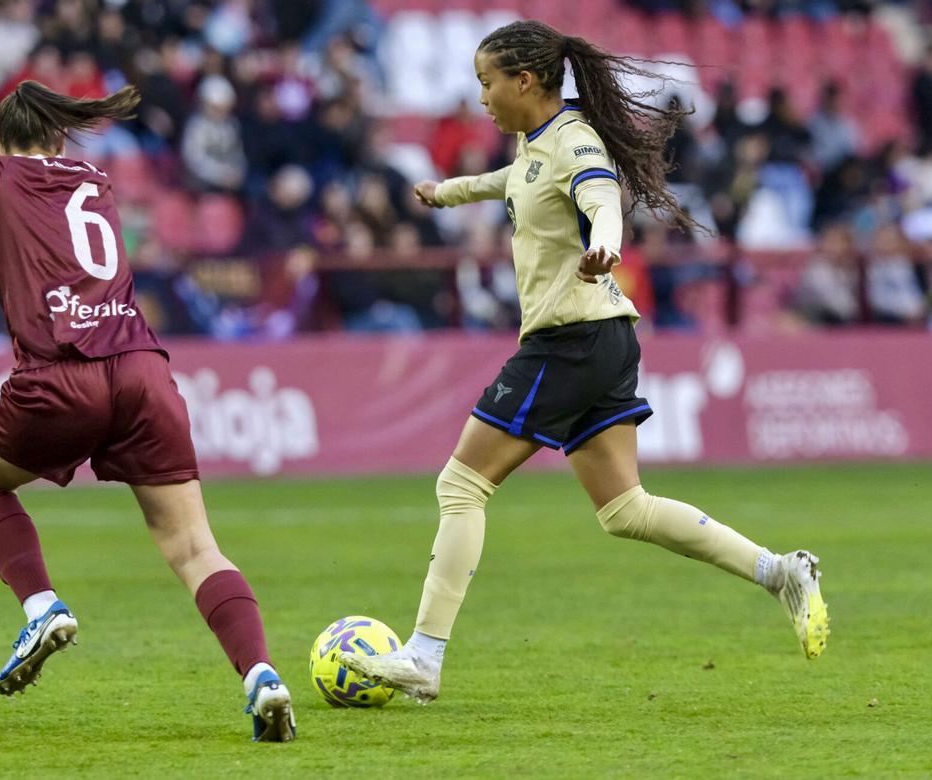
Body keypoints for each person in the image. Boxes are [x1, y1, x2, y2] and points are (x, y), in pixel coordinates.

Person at [340, 20, 830, 704]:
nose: (480, 97)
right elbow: (514, 179)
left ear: (526, 80)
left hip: (568, 339)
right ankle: (781, 572)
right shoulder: (534, 142)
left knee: (461, 486)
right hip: (602, 338)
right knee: (626, 509)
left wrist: (606, 244)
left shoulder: (575, 142)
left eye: (487, 83)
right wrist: (447, 191)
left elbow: (601, 199)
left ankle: (423, 654)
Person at [0, 81, 295, 742]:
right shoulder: (95, 179)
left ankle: (41, 606)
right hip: (143, 369)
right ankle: (263, 675)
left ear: (6, 144)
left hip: (60, 372)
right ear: (62, 138)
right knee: (193, 546)